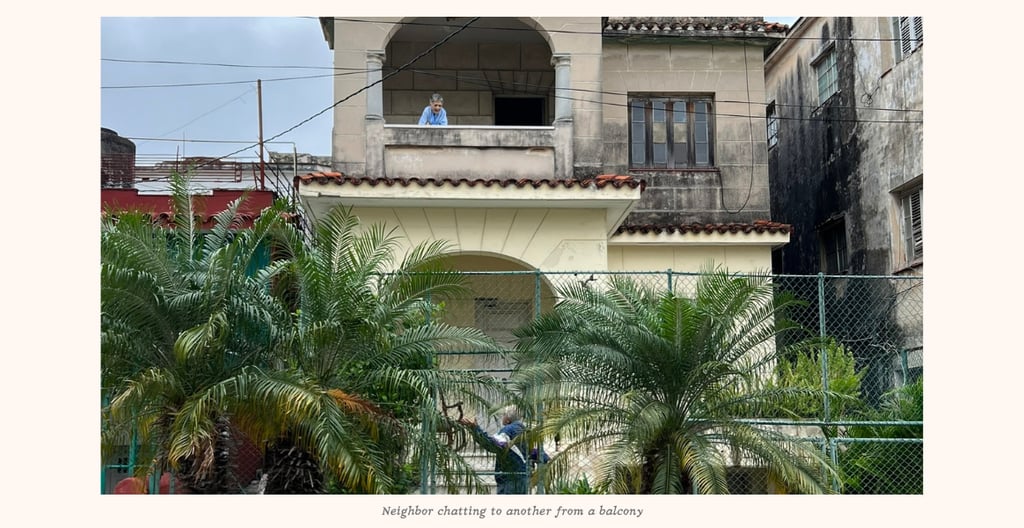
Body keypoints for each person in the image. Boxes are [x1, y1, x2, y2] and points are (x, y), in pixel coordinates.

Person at [461, 406, 533, 494]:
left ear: (508, 419)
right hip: (523, 476)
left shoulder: (508, 430)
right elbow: (536, 452)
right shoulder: (525, 431)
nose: (502, 417)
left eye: (504, 415)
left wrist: (475, 429)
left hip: (509, 478)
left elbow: (492, 444)